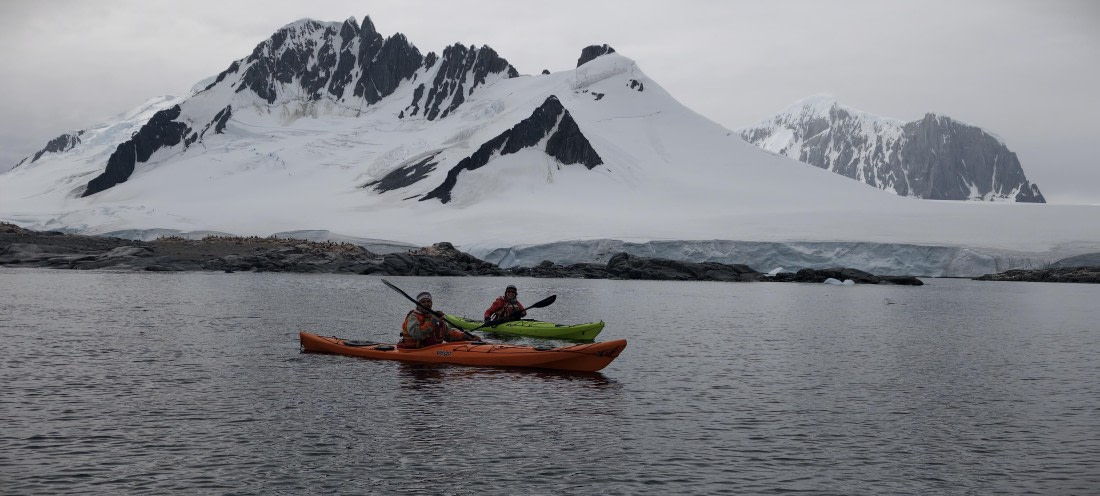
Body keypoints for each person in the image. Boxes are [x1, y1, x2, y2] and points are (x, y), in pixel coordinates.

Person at [399, 291, 472, 349]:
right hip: (415, 352)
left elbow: (449, 335)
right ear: (418, 305)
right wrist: (433, 321)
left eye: (428, 301)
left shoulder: (435, 317)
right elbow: (418, 335)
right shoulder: (413, 317)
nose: (426, 304)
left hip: (433, 351)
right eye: (423, 302)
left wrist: (467, 337)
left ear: (431, 303)